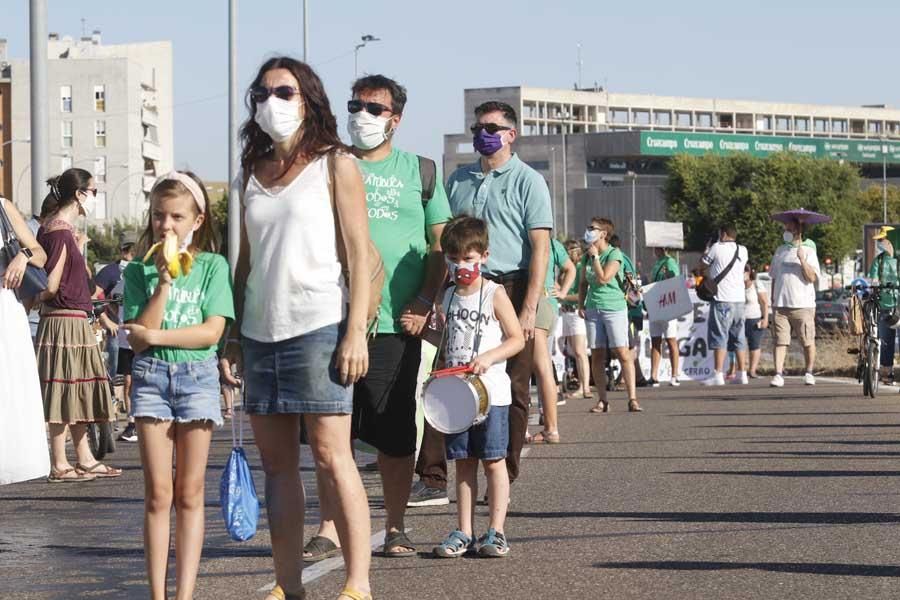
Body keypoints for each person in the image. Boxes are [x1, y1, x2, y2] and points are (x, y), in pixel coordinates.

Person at [219, 57, 372, 600]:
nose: (271, 101)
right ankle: (289, 585)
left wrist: (356, 332)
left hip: (320, 328)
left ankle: (358, 583)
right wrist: (230, 336)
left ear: (308, 98)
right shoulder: (248, 173)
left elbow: (359, 255)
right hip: (260, 334)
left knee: (333, 456)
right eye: (262, 93)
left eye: (283, 91)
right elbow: (240, 263)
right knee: (278, 468)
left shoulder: (336, 164)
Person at [306, 74, 451, 558]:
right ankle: (328, 527)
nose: (361, 115)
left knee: (393, 431)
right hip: (334, 317)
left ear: (395, 119)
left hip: (396, 322)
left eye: (374, 108)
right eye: (356, 105)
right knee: (332, 430)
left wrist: (425, 300)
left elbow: (439, 247)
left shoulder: (421, 170)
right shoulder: (328, 166)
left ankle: (394, 526)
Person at [121, 171, 232, 600]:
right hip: (151, 380)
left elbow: (211, 332)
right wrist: (164, 283)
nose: (166, 226)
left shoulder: (211, 266)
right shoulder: (138, 270)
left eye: (176, 217)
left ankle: (184, 593)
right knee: (157, 494)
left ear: (197, 220)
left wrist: (158, 338)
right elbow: (137, 332)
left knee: (189, 492)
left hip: (198, 377)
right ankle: (158, 594)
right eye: (158, 216)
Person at [442, 100, 552, 488]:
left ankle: (504, 472)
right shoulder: (457, 179)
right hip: (463, 286)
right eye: (476, 129)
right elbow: (444, 238)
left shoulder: (529, 180)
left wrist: (529, 308)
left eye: (491, 128)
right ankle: (445, 470)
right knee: (454, 375)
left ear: (511, 134)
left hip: (512, 284)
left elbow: (540, 248)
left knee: (515, 384)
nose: (482, 135)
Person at [428, 216, 525, 558]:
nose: (461, 267)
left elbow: (516, 339)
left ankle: (496, 531)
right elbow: (440, 338)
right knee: (464, 462)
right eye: (454, 260)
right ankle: (463, 531)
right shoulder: (449, 296)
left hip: (492, 393)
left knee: (494, 460)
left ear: (484, 256)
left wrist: (490, 356)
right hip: (457, 396)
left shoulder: (494, 293)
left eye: (468, 259)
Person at [34, 169, 121, 482]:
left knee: (79, 390)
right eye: (94, 191)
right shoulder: (58, 232)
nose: (95, 198)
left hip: (73, 321)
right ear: (79, 194)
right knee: (63, 390)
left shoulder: (61, 231)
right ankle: (59, 462)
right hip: (63, 322)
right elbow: (52, 285)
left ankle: (83, 456)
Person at [0, 196, 51, 485]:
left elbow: (39, 253)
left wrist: (23, 255)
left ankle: (9, 463)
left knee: (8, 386)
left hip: (5, 306)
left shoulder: (3, 207)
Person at [578, 217, 642, 413]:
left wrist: (596, 257)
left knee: (621, 351)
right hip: (593, 308)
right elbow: (583, 283)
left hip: (614, 308)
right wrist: (581, 304)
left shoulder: (615, 254)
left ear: (603, 234)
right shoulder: (586, 256)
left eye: (593, 228)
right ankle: (602, 400)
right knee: (597, 354)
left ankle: (632, 398)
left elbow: (604, 278)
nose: (588, 231)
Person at [529, 237, 575, 444]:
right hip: (549, 305)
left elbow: (570, 269)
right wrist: (562, 292)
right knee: (542, 366)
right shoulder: (551, 242)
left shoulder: (530, 239)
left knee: (538, 366)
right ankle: (547, 421)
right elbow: (570, 269)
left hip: (538, 302)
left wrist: (563, 291)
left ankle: (550, 428)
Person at [95, 232, 138, 442]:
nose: (130, 255)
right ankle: (130, 423)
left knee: (143, 381)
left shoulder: (146, 269)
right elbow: (94, 295)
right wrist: (107, 318)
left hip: (145, 335)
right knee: (126, 380)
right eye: (127, 250)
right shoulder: (112, 271)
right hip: (120, 337)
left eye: (134, 250)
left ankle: (144, 422)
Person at [769, 218, 820, 387]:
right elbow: (774, 277)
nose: (785, 228)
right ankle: (778, 374)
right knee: (780, 341)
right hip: (781, 305)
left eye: (788, 226)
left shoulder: (809, 250)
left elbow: (812, 277)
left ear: (798, 228)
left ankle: (809, 372)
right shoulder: (780, 250)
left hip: (803, 304)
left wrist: (803, 260)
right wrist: (773, 300)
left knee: (807, 341)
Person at [699, 224, 749, 386]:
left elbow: (703, 265)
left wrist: (706, 252)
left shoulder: (716, 247)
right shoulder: (743, 250)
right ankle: (742, 373)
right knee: (739, 337)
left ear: (724, 234)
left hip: (722, 299)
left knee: (719, 336)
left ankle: (718, 374)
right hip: (740, 299)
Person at [610, 235, 649, 388]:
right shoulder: (625, 258)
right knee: (630, 343)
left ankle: (624, 378)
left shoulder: (619, 259)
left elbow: (629, 284)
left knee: (629, 344)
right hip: (633, 308)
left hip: (630, 310)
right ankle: (638, 376)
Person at [559, 240, 592, 400]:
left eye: (568, 250)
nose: (566, 253)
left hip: (576, 313)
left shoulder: (579, 268)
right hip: (566, 313)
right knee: (574, 352)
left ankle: (585, 387)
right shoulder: (565, 270)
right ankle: (581, 384)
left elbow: (581, 295)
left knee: (580, 351)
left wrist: (563, 295)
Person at [868, 227, 899, 384]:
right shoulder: (878, 261)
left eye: (882, 240)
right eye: (878, 241)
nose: (880, 244)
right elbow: (873, 280)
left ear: (891, 241)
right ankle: (887, 374)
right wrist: (874, 285)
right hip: (884, 306)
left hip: (898, 306)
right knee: (886, 342)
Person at [648, 247, 681, 386]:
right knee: (655, 340)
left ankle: (674, 375)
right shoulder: (657, 263)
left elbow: (675, 278)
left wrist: (669, 274)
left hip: (667, 304)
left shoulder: (670, 261)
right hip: (656, 302)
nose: (654, 250)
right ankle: (654, 375)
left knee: (670, 340)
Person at [744, 265, 769, 379]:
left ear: (749, 272)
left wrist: (765, 318)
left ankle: (752, 370)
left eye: (743, 272)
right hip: (739, 318)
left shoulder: (756, 284)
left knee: (754, 345)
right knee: (737, 345)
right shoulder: (736, 285)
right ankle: (738, 369)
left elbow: (764, 302)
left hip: (754, 318)